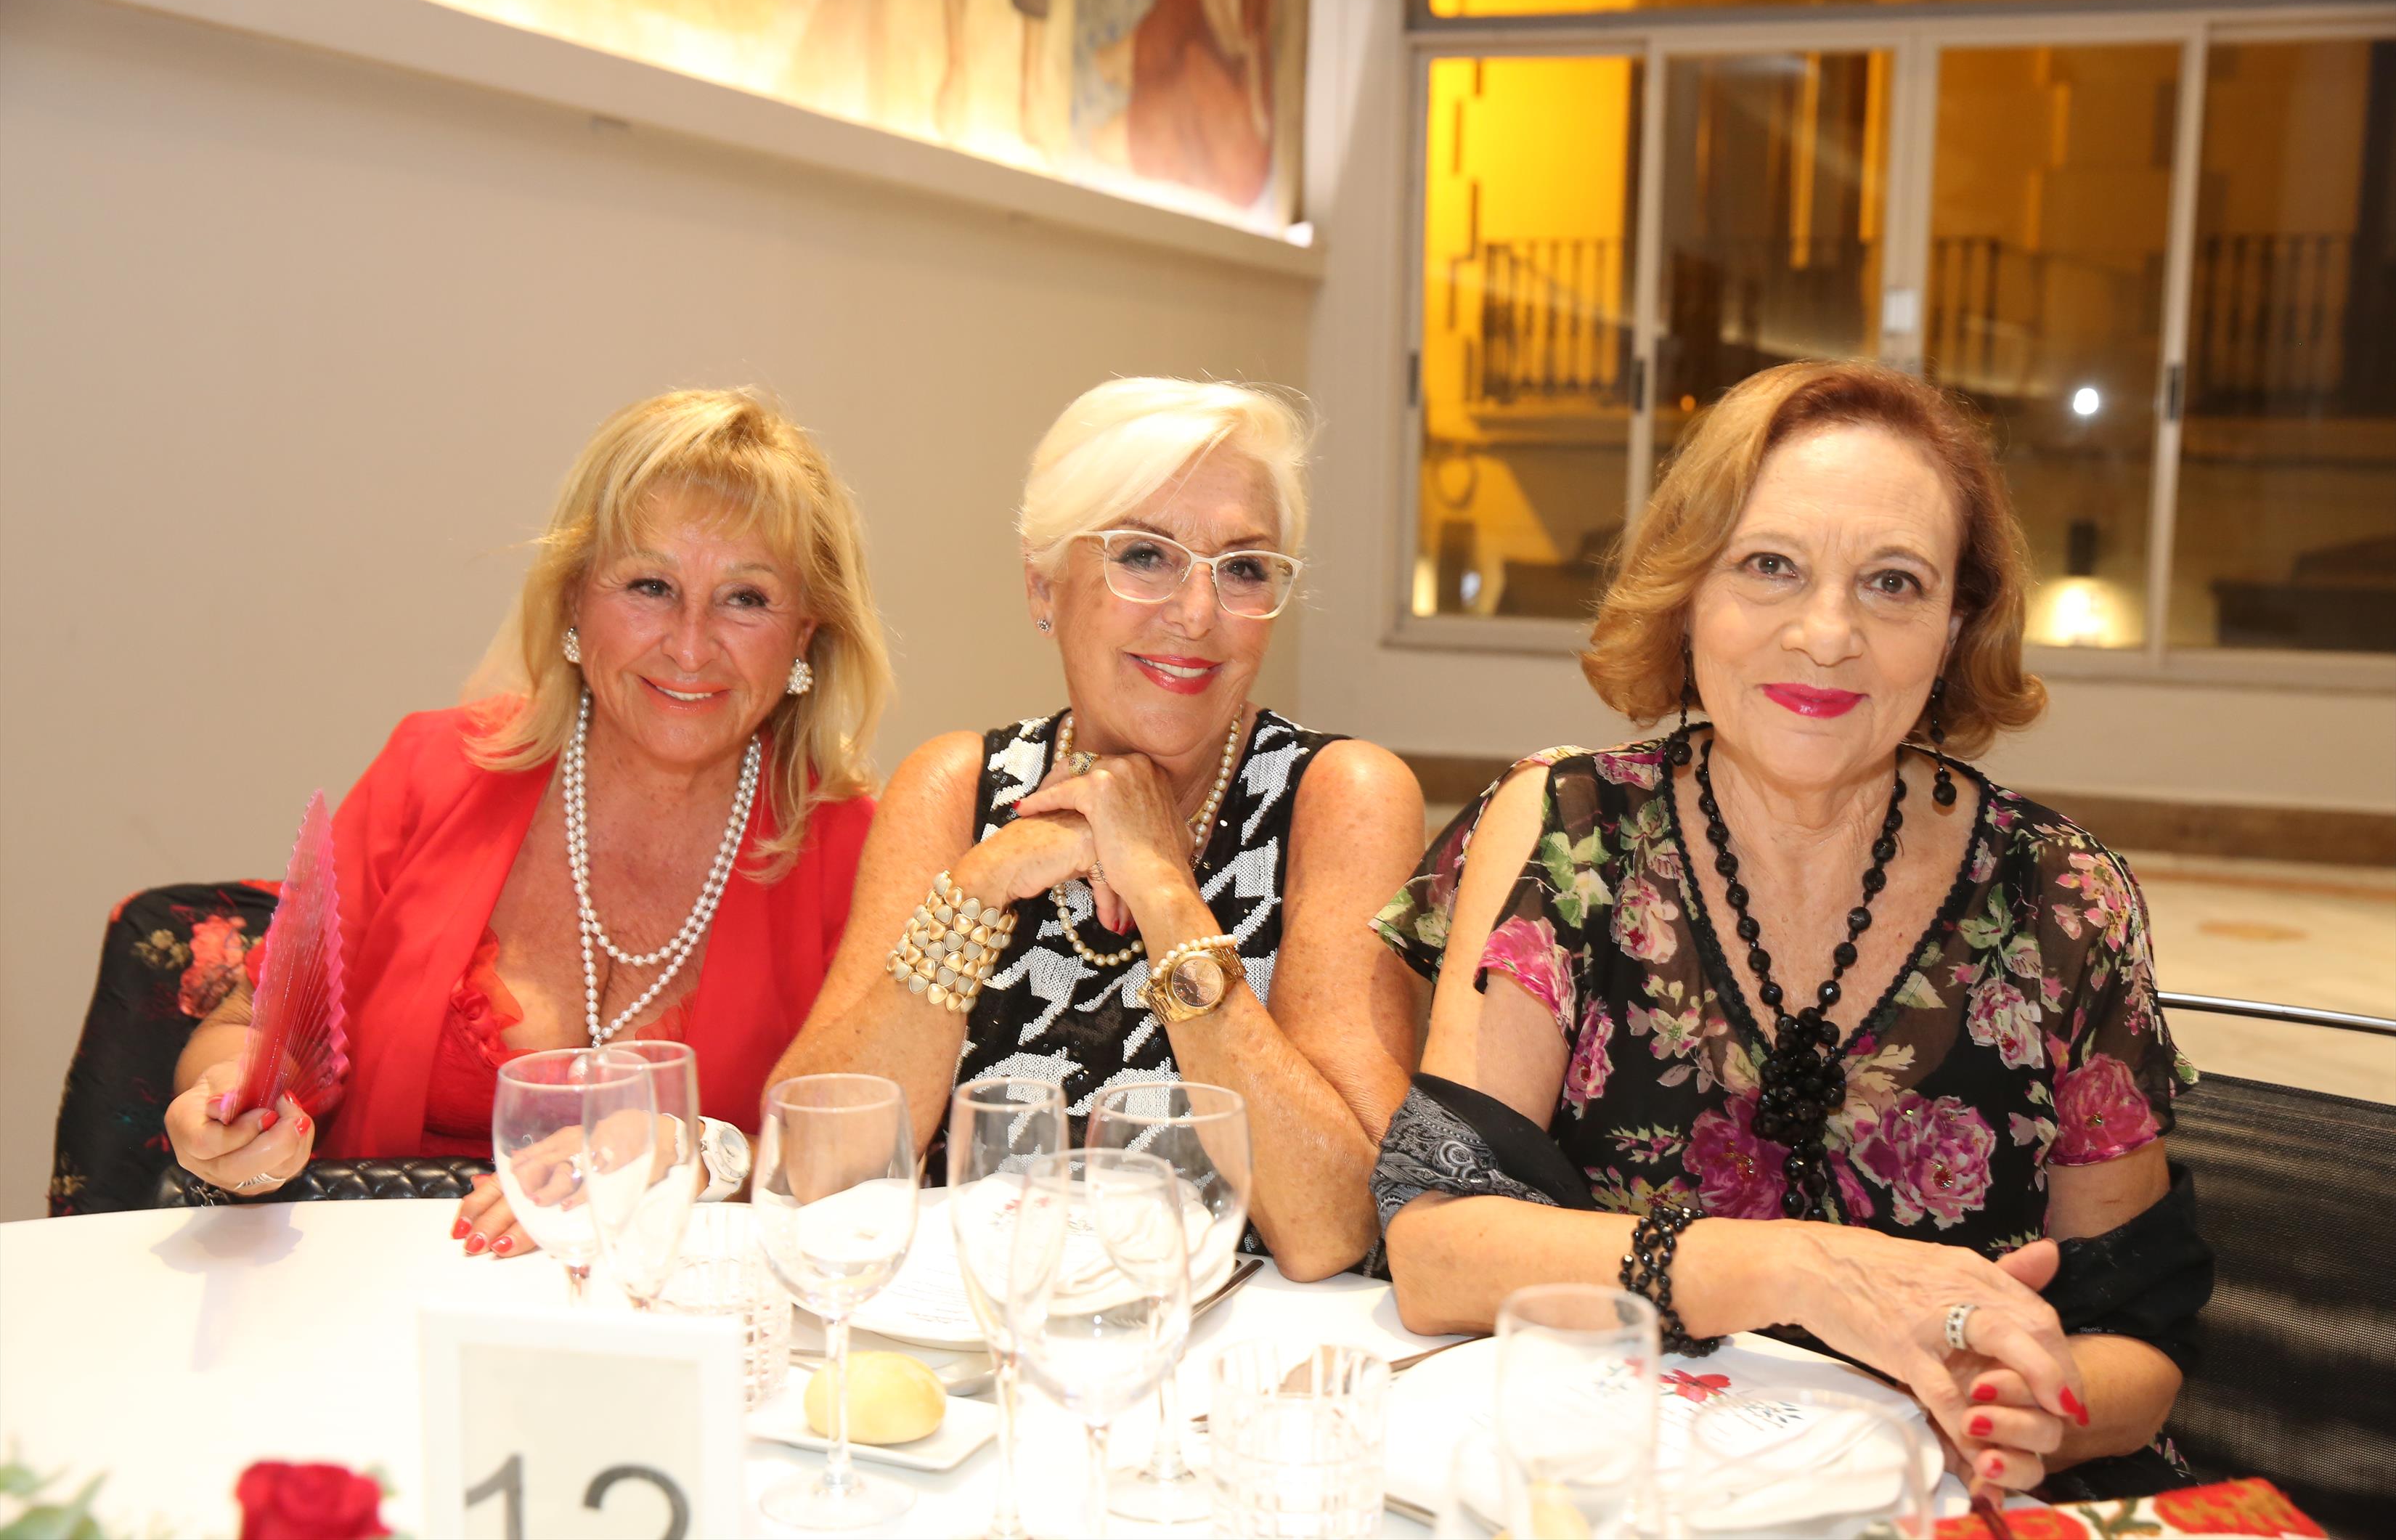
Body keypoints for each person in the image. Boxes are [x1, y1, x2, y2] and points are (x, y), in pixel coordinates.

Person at [1372, 360, 2209, 1496]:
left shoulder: (2060, 896)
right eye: (1770, 565)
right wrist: (1802, 1270)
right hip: (1632, 1488)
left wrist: (2026, 1413)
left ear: (1954, 626)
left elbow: (2138, 1345)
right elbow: (1437, 1250)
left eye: (1893, 583)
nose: (1826, 634)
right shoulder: (1570, 833)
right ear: (1689, 590)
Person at [163, 389, 893, 1259]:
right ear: (575, 597)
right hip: (389, 1285)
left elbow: (873, 1144)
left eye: (745, 598)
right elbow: (252, 1032)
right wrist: (231, 1109)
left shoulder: (861, 852)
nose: (691, 645)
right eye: (651, 586)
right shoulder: (430, 771)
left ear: (805, 632)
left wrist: (697, 1149)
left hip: (681, 1305)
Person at [773, 377, 1423, 1280]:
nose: (1198, 613)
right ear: (1043, 584)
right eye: (1146, 556)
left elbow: (1335, 1225)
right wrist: (980, 886)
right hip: (979, 1331)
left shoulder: (1339, 797)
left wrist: (1162, 887)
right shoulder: (957, 791)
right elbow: (809, 1164)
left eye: (1242, 568)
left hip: (1225, 1351)